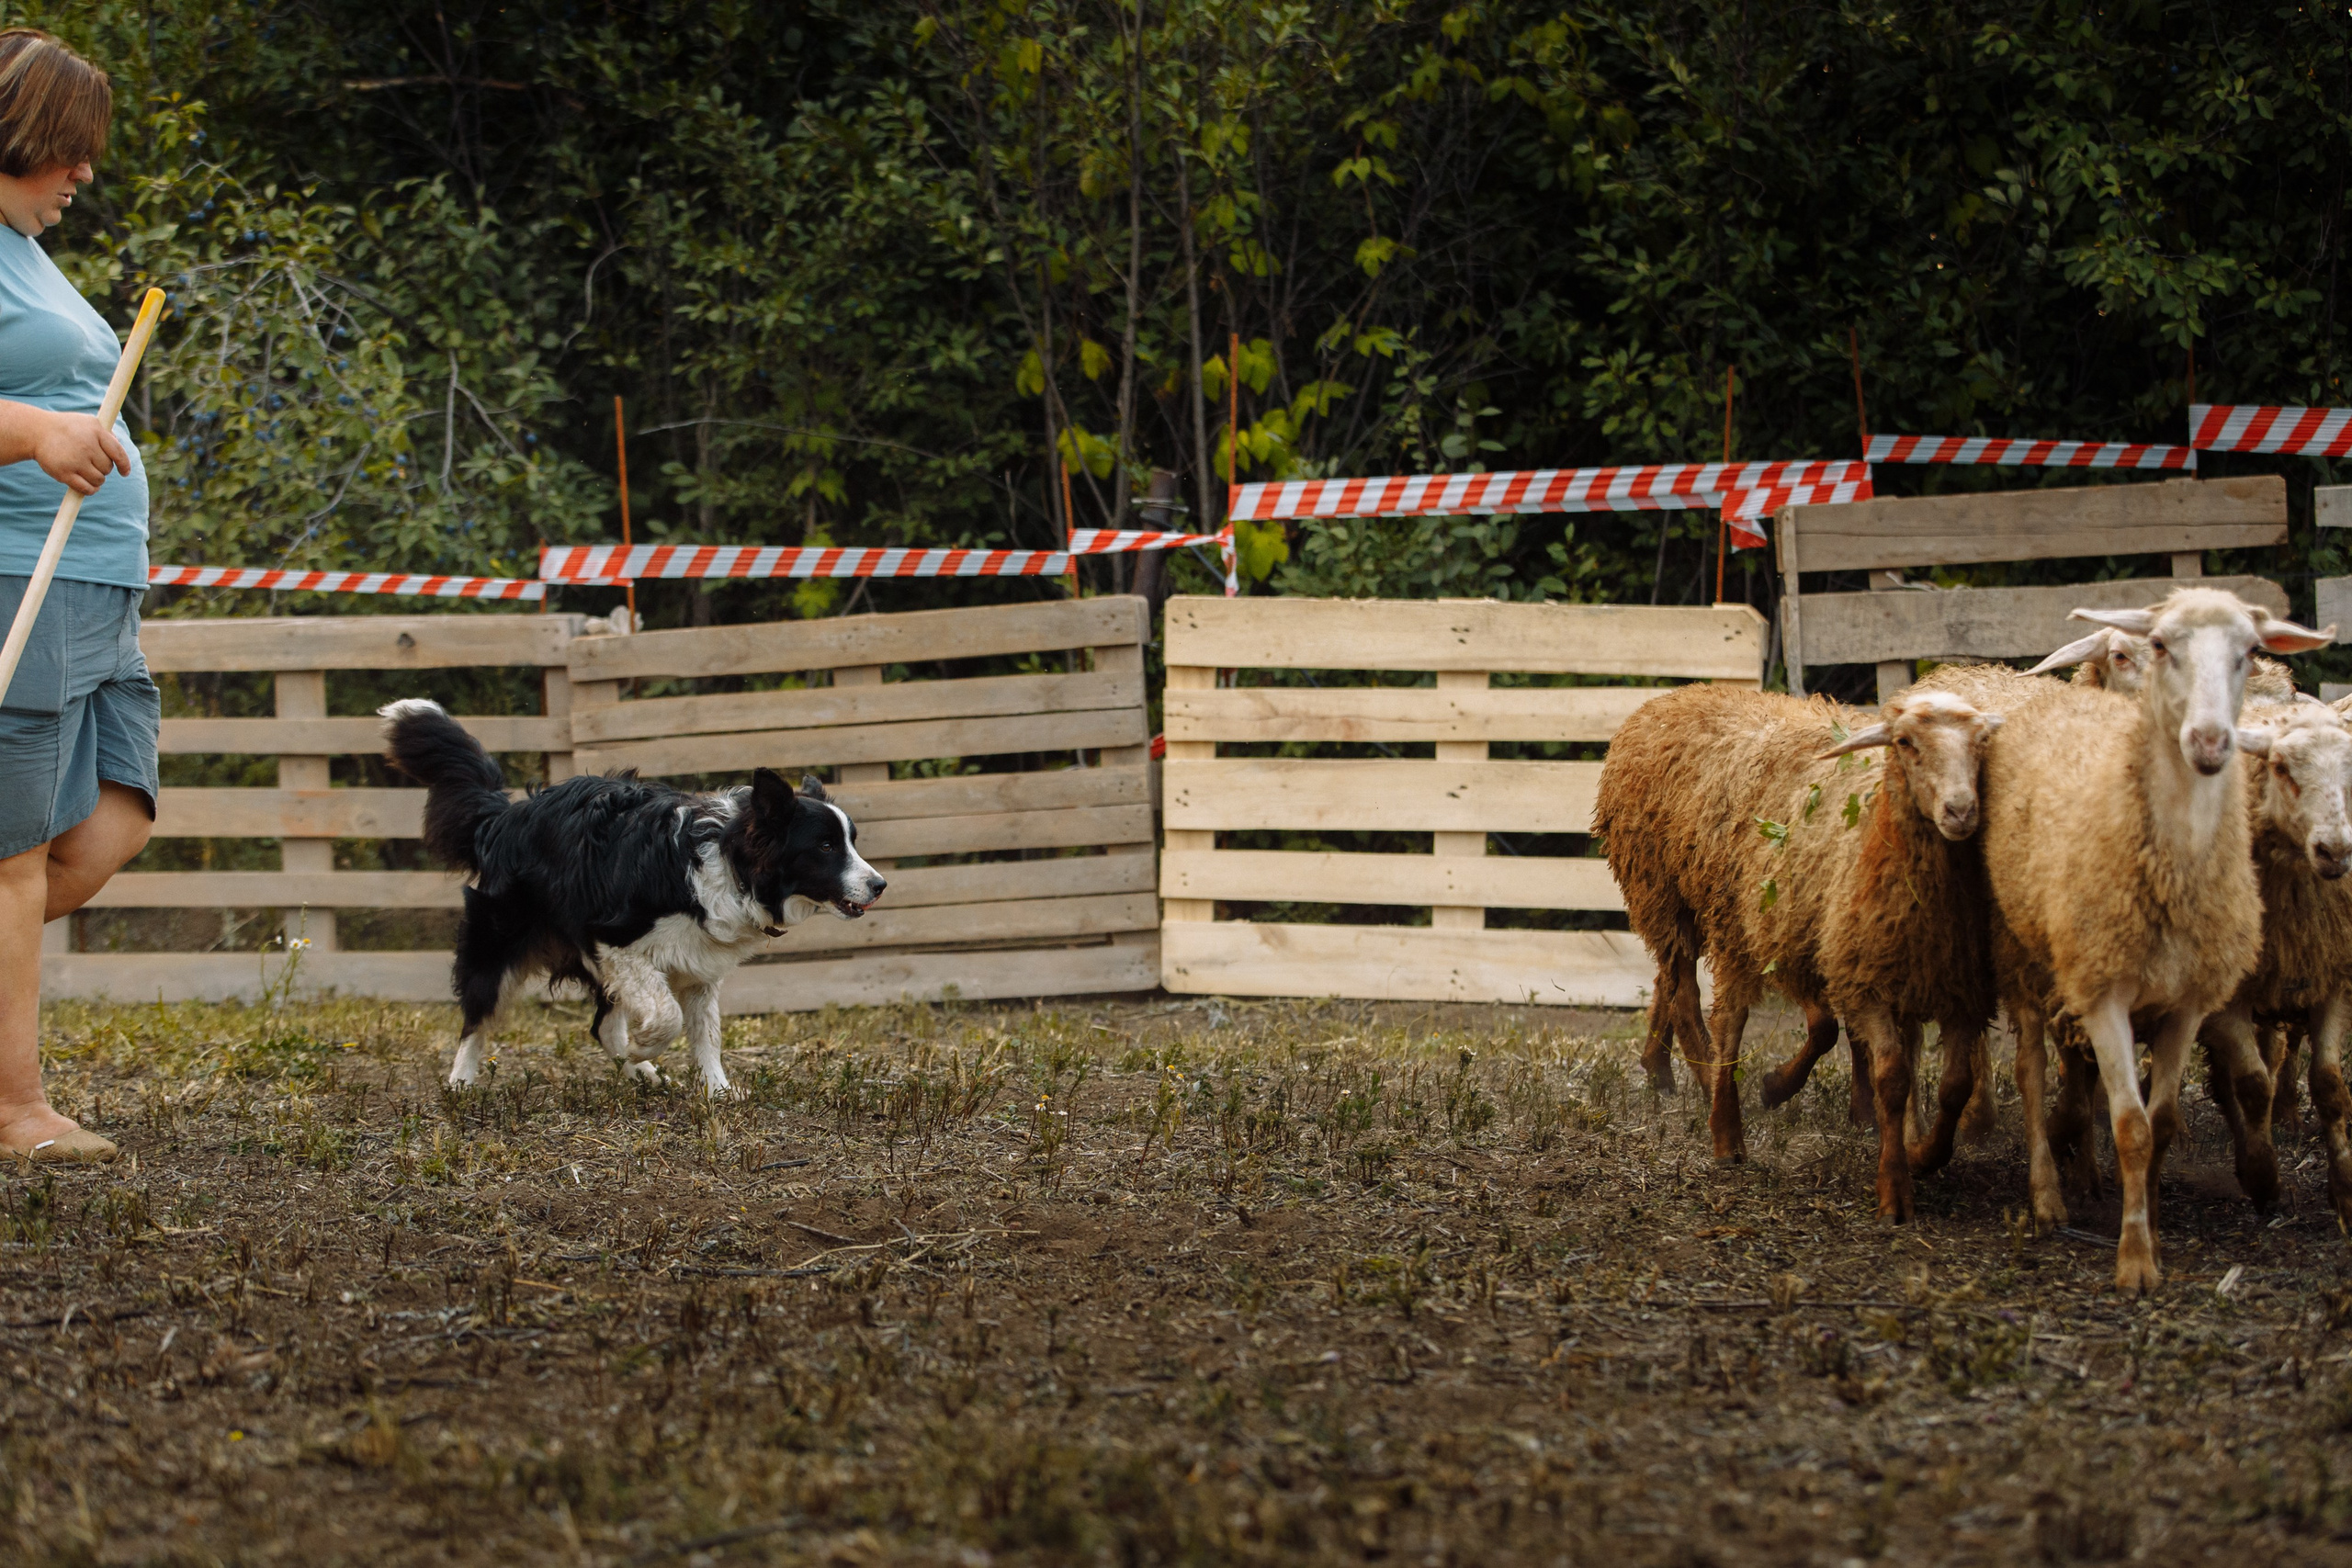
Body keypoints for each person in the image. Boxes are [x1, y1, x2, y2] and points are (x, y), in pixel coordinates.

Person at [0, 28, 158, 1163]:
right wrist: (42, 431)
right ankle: (14, 1110)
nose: (83, 175)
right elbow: (40, 418)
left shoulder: (25, 252)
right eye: (72, 150)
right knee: (9, 854)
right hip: (21, 572)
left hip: (100, 584)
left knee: (114, 820)